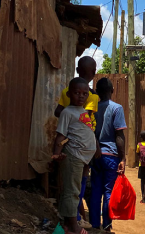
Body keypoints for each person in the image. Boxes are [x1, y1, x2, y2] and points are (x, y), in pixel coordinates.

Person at [54, 56, 99, 229]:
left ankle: (71, 219)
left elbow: (86, 125)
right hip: (75, 151)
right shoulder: (74, 106)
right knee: (73, 188)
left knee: (74, 186)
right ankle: (73, 222)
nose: (81, 96)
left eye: (84, 94)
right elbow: (69, 127)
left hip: (83, 154)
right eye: (77, 93)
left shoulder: (86, 100)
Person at [89, 78, 127, 231]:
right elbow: (119, 135)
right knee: (109, 192)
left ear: (97, 92)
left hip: (95, 155)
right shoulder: (117, 108)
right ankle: (107, 225)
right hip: (111, 156)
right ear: (112, 91)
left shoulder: (93, 109)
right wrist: (122, 157)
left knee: (96, 190)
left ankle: (94, 224)